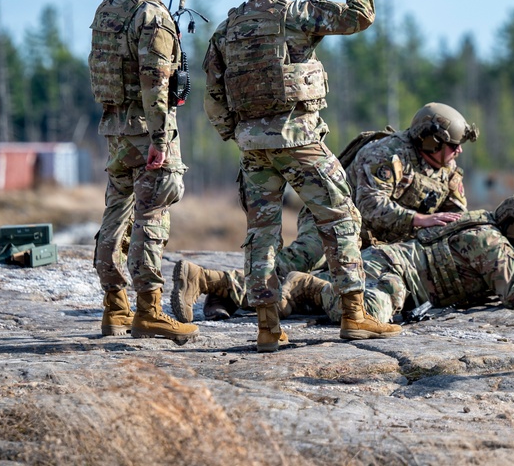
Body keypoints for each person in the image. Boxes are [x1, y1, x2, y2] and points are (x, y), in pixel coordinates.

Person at [202, 0, 400, 352]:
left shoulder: (227, 29)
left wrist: (237, 134)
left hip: (253, 148)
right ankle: (354, 315)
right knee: (341, 217)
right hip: (300, 141)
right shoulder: (296, 13)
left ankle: (267, 327)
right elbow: (362, 15)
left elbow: (214, 95)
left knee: (261, 234)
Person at [173, 102, 478, 321]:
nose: (458, 152)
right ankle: (214, 284)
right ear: (430, 140)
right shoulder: (386, 155)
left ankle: (229, 292)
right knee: (301, 259)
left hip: (380, 247)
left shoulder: (448, 173)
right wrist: (418, 220)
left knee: (326, 285)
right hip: (335, 224)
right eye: (453, 145)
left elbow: (455, 219)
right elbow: (371, 206)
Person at [89, 0, 199, 344]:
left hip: (116, 128)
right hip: (146, 131)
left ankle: (114, 307)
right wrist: (160, 138)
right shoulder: (152, 15)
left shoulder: (109, 8)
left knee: (116, 214)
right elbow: (156, 81)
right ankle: (149, 310)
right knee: (153, 215)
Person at [278, 194, 514, 324]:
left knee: (277, 296)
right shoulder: (492, 242)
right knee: (369, 313)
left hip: (384, 263)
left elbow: (509, 278)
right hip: (391, 271)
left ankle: (232, 286)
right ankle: (309, 286)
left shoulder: (490, 231)